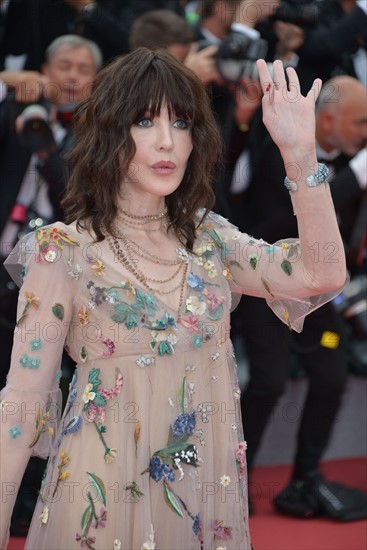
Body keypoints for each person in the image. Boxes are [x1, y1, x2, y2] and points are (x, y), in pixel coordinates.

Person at [0, 47, 346, 549]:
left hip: (201, 507)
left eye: (181, 124)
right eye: (144, 121)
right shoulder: (62, 252)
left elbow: (322, 272)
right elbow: (23, 406)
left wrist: (300, 155)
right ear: (110, 133)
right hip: (100, 509)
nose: (166, 142)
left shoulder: (212, 241)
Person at [234, 75, 367, 520]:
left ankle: (304, 478)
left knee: (331, 369)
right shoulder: (281, 155)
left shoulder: (352, 162)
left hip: (320, 308)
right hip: (266, 295)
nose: (366, 133)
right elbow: (271, 228)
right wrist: (353, 177)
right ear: (327, 120)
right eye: (361, 122)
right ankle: (237, 479)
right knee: (269, 380)